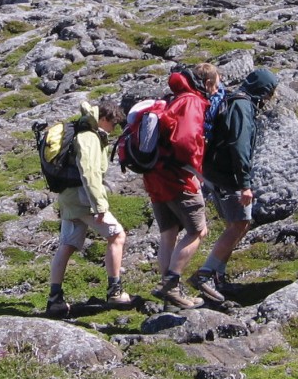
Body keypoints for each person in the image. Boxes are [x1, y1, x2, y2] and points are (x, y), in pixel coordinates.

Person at [190, 68, 279, 301]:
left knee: (236, 223)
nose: (270, 97)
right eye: (270, 91)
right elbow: (239, 147)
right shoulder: (243, 106)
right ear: (263, 89)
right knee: (240, 223)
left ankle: (219, 276)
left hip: (214, 172)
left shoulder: (234, 100)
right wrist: (245, 184)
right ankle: (206, 273)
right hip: (227, 175)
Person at [45, 100, 132, 317]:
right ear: (103, 119)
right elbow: (89, 173)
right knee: (117, 235)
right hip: (83, 199)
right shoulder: (89, 137)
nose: (113, 130)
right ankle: (115, 291)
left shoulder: (82, 131)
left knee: (67, 244)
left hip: (69, 197)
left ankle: (54, 299)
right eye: (113, 125)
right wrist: (100, 206)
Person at [143, 63, 220, 309]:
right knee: (198, 231)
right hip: (177, 177)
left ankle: (170, 295)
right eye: (216, 84)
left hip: (155, 176)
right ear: (207, 83)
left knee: (168, 233)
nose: (217, 89)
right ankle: (171, 284)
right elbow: (186, 143)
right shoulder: (192, 101)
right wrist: (198, 169)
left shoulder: (173, 99)